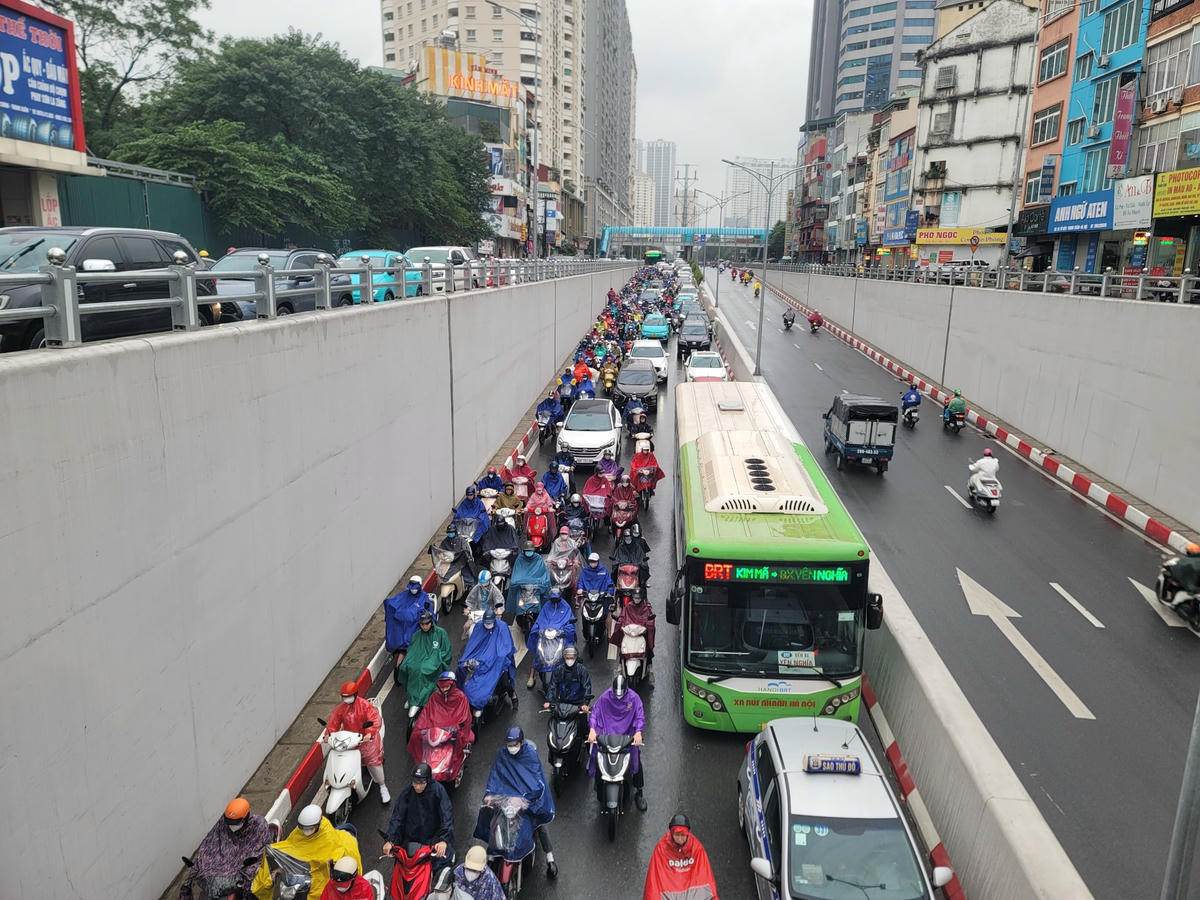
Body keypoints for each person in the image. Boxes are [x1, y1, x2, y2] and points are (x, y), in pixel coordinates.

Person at [476, 727, 558, 879]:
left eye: (514, 744)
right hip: (506, 797)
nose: (511, 748)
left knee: (538, 822)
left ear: (521, 743)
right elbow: (495, 776)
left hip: (528, 799)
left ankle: (550, 857)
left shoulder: (530, 755)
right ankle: (493, 854)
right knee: (494, 822)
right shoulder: (502, 754)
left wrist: (523, 800)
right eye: (509, 745)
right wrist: (490, 795)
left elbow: (536, 782)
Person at [251, 804, 360, 899]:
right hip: (299, 875)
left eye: (309, 828)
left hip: (314, 878)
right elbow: (291, 845)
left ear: (318, 825)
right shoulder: (300, 831)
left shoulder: (327, 836)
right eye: (303, 828)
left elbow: (331, 855)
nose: (305, 831)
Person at [180, 798, 272, 899]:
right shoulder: (223, 825)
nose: (231, 826)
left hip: (245, 863)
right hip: (224, 868)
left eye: (236, 823)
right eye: (229, 823)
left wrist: (247, 865)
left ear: (245, 818)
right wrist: (199, 863)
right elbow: (210, 843)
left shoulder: (258, 825)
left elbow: (259, 849)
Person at [382, 764, 455, 877]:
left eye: (421, 783)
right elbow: (397, 816)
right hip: (412, 836)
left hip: (433, 838)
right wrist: (391, 839)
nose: (417, 786)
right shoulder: (408, 791)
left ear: (428, 781)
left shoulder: (438, 791)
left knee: (441, 867)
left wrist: (443, 840)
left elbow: (447, 816)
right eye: (415, 782)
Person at [588, 675, 647, 812]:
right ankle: (599, 783)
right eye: (616, 693)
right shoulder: (605, 697)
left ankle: (639, 791)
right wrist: (592, 729)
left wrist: (638, 732)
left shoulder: (634, 698)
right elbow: (595, 712)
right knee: (597, 755)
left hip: (626, 735)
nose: (618, 696)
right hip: (608, 734)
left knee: (636, 757)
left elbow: (640, 716)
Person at [326, 680, 390, 803]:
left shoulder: (365, 706)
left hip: (365, 740)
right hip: (349, 741)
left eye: (349, 696)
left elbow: (375, 720)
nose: (346, 699)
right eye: (344, 697)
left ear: (355, 695)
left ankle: (383, 786)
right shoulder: (340, 709)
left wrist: (369, 732)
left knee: (373, 762)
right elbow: (333, 723)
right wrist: (328, 735)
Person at [407, 671, 474, 775]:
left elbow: (464, 717)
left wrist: (456, 728)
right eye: (442, 687)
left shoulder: (461, 697)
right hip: (435, 730)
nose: (444, 690)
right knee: (416, 737)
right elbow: (426, 715)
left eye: (446, 687)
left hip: (452, 731)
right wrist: (420, 729)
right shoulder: (435, 697)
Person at [642, 814, 719, 900]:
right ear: (671, 833)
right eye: (677, 835)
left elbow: (705, 877)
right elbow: (654, 880)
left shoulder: (697, 848)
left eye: (683, 835)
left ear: (687, 834)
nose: (680, 839)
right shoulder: (661, 848)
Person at [459, 606, 519, 711]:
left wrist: (499, 659)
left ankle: (513, 694)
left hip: (498, 660)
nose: (488, 625)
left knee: (505, 683)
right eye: (486, 623)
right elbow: (473, 644)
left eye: (490, 623)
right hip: (480, 661)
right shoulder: (479, 627)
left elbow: (506, 646)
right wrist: (467, 659)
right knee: (463, 671)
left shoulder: (502, 627)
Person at [397, 610, 453, 711]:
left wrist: (437, 659)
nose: (425, 626)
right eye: (422, 624)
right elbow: (411, 651)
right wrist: (408, 661)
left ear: (431, 622)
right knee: (405, 668)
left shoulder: (440, 633)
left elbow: (446, 651)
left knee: (423, 671)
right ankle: (413, 697)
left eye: (427, 624)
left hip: (435, 662)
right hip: (419, 660)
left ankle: (423, 698)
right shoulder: (417, 635)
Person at [527, 587, 577, 688]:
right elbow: (540, 620)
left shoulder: (565, 607)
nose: (555, 600)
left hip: (559, 637)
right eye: (553, 599)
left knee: (569, 652)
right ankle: (532, 676)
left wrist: (566, 630)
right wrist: (537, 629)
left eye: (556, 599)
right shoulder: (546, 606)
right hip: (545, 636)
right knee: (538, 653)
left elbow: (569, 621)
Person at [385, 576, 437, 672]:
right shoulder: (404, 595)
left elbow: (428, 611)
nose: (413, 590)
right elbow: (394, 602)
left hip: (416, 627)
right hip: (404, 626)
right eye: (412, 588)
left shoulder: (424, 597)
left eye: (415, 588)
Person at [612, 592, 657, 685]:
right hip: (629, 633)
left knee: (648, 647)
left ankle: (649, 666)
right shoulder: (628, 607)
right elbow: (622, 617)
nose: (637, 599)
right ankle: (620, 665)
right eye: (635, 597)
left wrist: (649, 623)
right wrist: (620, 622)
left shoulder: (646, 608)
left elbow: (650, 619)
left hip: (641, 634)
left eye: (638, 597)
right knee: (623, 647)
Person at [507, 540, 551, 616]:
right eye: (527, 551)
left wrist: (542, 581)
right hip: (522, 588)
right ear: (523, 551)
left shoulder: (538, 559)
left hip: (535, 588)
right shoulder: (520, 559)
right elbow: (516, 574)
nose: (529, 553)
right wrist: (517, 582)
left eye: (530, 551)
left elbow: (543, 573)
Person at [543, 644, 592, 710]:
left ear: (575, 657)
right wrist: (549, 701)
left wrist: (585, 704)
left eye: (571, 658)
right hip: (562, 704)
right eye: (567, 658)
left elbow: (587, 687)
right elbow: (553, 685)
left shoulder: (582, 670)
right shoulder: (559, 669)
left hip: (578, 705)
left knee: (582, 719)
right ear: (564, 657)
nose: (569, 660)